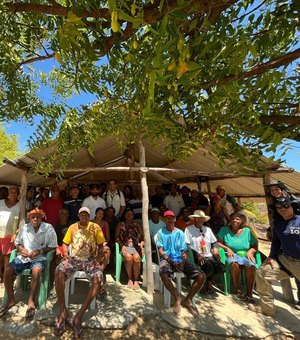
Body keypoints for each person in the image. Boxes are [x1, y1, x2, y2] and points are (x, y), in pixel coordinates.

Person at [54, 207, 105, 338]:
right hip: (74, 259)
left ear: (89, 216)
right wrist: (65, 253)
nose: (84, 217)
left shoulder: (95, 227)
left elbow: (101, 245)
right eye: (82, 214)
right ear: (78, 215)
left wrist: (99, 256)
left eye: (86, 215)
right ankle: (63, 311)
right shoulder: (72, 227)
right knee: (59, 271)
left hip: (90, 260)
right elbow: (65, 243)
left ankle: (78, 316)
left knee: (98, 279)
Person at [0, 208, 57, 319]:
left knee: (36, 272)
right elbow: (18, 243)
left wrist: (39, 251)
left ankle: (31, 301)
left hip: (39, 258)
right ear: (29, 218)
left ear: (42, 217)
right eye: (33, 217)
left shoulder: (48, 228)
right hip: (24, 257)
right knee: (8, 270)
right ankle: (11, 300)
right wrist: (21, 249)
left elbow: (53, 245)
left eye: (38, 217)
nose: (35, 219)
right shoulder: (25, 227)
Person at [248, 197, 300, 317]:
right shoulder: (278, 222)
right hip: (286, 260)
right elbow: (276, 241)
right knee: (261, 273)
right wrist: (271, 256)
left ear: (292, 206)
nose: (283, 209)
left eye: (286, 206)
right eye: (279, 207)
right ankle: (267, 309)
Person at [156, 210, 206, 317]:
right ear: (165, 220)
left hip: (180, 260)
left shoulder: (180, 233)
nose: (170, 219)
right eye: (167, 218)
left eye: (171, 217)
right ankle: (177, 297)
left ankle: (188, 299)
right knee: (163, 274)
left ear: (175, 219)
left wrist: (182, 262)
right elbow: (161, 251)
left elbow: (184, 251)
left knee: (201, 276)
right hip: (168, 260)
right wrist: (170, 261)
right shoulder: (161, 232)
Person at [217, 212, 258, 302]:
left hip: (245, 254)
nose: (235, 220)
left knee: (251, 267)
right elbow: (218, 243)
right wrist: (227, 248)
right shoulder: (225, 229)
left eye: (237, 219)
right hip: (232, 254)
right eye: (233, 219)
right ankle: (238, 289)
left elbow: (255, 245)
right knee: (234, 264)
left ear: (242, 221)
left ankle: (249, 293)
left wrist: (251, 251)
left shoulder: (247, 231)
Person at [185, 210, 225, 294]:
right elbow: (187, 245)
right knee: (209, 267)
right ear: (195, 219)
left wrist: (215, 248)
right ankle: (202, 284)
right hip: (196, 255)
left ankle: (208, 281)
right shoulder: (188, 229)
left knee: (221, 268)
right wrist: (197, 254)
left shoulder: (208, 229)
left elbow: (214, 242)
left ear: (204, 220)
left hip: (208, 255)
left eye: (202, 218)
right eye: (198, 218)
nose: (200, 220)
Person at [115, 208, 144, 291]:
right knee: (128, 257)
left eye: (131, 214)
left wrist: (141, 244)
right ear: (124, 215)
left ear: (133, 216)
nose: (129, 216)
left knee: (136, 258)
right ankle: (130, 278)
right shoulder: (120, 224)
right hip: (125, 246)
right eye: (127, 214)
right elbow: (116, 237)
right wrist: (122, 245)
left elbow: (143, 238)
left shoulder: (137, 225)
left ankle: (136, 280)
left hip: (136, 246)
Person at [0, 186, 20, 282]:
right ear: (8, 193)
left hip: (10, 235)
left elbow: (22, 221)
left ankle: (5, 277)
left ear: (18, 194)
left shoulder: (21, 205)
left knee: (7, 256)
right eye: (11, 192)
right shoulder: (1, 203)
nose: (13, 194)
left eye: (15, 192)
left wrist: (18, 231)